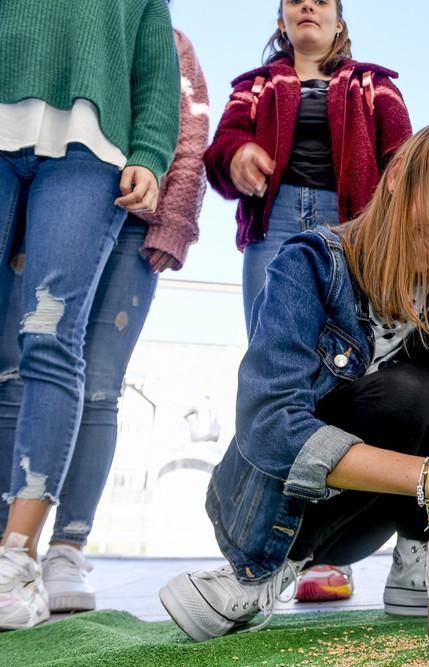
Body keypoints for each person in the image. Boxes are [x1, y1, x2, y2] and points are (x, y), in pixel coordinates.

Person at [158, 119, 429, 642]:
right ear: (397, 175)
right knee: (409, 388)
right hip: (275, 516)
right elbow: (268, 427)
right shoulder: (310, 264)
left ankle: (418, 556)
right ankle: (260, 575)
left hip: (367, 519)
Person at [0, 0, 180, 630]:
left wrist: (151, 154)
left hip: (89, 151)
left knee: (50, 338)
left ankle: (16, 560)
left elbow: (158, 73)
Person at [36, 19, 210, 614]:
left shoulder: (175, 44)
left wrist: (173, 220)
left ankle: (67, 546)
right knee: (26, 365)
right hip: (55, 208)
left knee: (103, 386)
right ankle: (17, 542)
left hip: (135, 232)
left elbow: (190, 137)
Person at [204, 0, 412, 334]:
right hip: (273, 226)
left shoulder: (375, 84)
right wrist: (237, 155)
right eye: (296, 2)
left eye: (320, 2)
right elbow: (220, 150)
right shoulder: (255, 87)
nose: (307, 8)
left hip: (352, 226)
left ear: (339, 24)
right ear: (282, 24)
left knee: (348, 343)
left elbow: (404, 156)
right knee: (269, 345)